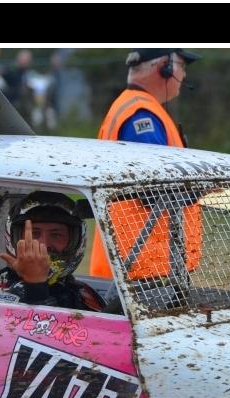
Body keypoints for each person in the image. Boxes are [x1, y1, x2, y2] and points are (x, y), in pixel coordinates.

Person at [90, 48, 202, 278]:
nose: (184, 74)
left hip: (140, 263)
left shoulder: (134, 107)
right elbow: (153, 191)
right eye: (181, 65)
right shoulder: (142, 115)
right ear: (164, 67)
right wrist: (204, 188)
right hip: (142, 266)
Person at [0, 191, 106, 312]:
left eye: (56, 235)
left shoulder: (83, 294)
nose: (44, 245)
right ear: (15, 239)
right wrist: (35, 286)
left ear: (75, 241)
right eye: (34, 234)